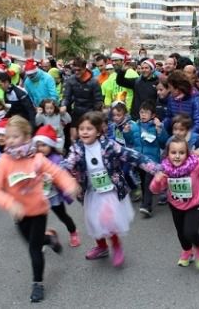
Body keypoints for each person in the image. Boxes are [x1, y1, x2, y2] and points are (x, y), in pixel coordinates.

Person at [0, 116, 79, 303]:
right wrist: (10, 204)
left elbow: (57, 173)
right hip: (19, 213)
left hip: (38, 210)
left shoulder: (37, 159)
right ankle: (50, 238)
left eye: (15, 136)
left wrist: (69, 184)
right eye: (8, 137)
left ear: (27, 137)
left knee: (34, 248)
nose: (10, 140)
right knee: (31, 241)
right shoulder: (4, 161)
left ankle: (38, 283)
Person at [61, 112, 162, 267]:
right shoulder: (77, 148)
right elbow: (68, 163)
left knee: (107, 220)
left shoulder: (109, 145)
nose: (85, 132)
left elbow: (133, 156)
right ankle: (102, 247)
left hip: (110, 190)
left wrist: (155, 169)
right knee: (94, 221)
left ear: (98, 130)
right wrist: (55, 174)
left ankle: (116, 245)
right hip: (91, 191)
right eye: (81, 129)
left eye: (89, 128)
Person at [150, 138, 199, 268]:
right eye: (173, 152)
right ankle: (187, 251)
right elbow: (155, 190)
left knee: (190, 231)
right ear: (168, 154)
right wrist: (157, 181)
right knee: (181, 233)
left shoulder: (195, 165)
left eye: (181, 152)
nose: (177, 156)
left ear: (187, 154)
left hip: (195, 204)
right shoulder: (165, 170)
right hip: (175, 206)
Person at [33, 125, 80, 247]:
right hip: (40, 195)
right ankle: (46, 236)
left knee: (62, 216)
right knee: (39, 219)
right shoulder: (35, 158)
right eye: (38, 145)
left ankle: (73, 232)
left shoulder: (57, 159)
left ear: (51, 145)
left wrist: (56, 180)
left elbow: (63, 175)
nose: (41, 148)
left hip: (54, 195)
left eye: (44, 145)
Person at [135, 100, 169, 217]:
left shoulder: (155, 127)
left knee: (148, 180)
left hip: (152, 159)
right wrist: (127, 133)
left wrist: (159, 128)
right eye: (141, 112)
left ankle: (147, 206)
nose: (143, 115)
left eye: (146, 112)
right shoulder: (136, 125)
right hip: (139, 158)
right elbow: (131, 140)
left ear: (153, 115)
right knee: (144, 180)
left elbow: (164, 142)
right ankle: (145, 200)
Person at [60, 57, 103, 141]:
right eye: (74, 70)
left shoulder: (94, 82)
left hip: (90, 112)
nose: (76, 72)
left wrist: (95, 115)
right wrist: (64, 105)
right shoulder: (70, 80)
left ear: (84, 68)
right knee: (73, 137)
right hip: (76, 111)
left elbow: (98, 100)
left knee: (88, 138)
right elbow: (66, 96)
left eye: (79, 70)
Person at [163, 71, 199, 136]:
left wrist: (188, 136)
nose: (169, 90)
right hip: (176, 135)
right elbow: (169, 117)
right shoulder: (171, 98)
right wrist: (161, 126)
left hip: (192, 136)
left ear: (178, 88)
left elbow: (198, 123)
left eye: (170, 87)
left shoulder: (195, 98)